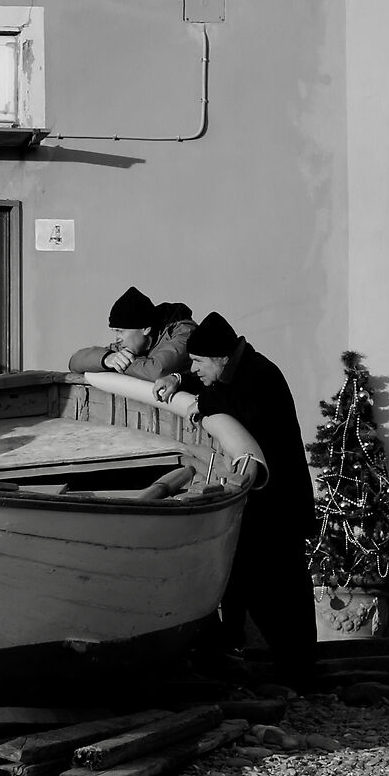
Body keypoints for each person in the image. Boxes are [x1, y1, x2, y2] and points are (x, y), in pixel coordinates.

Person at [159, 313, 318, 683]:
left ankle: (294, 671)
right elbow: (220, 393)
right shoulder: (247, 370)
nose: (193, 368)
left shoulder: (260, 377)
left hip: (277, 508)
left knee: (277, 592)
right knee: (258, 585)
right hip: (270, 507)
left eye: (198, 362)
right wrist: (187, 383)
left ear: (220, 358)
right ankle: (281, 666)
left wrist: (206, 402)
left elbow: (242, 410)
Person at [65, 286, 197, 383]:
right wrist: (107, 359)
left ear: (145, 329)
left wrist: (121, 364)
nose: (117, 338)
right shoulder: (129, 345)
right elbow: (75, 362)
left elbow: (157, 371)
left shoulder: (183, 334)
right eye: (115, 331)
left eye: (121, 331)